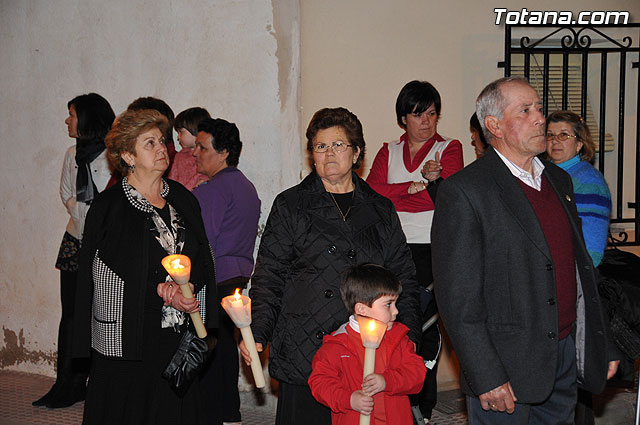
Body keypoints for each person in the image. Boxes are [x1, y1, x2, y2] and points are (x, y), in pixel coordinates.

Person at [431, 76, 620, 424]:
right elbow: (458, 298)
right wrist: (486, 374)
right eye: (525, 110)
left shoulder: (559, 180)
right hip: (505, 366)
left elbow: (579, 272)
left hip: (562, 357)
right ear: (494, 125)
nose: (539, 118)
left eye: (539, 108)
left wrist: (601, 341)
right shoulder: (465, 191)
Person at [240, 107, 421, 425]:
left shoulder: (380, 209)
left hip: (366, 350)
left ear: (357, 153)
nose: (329, 153)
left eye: (338, 145)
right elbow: (270, 275)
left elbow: (402, 276)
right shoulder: (291, 204)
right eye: (320, 146)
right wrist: (257, 332)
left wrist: (410, 341)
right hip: (306, 344)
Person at [72, 109, 218, 425]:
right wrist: (159, 289)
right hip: (129, 334)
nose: (162, 149)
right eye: (149, 143)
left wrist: (192, 285)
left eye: (162, 141)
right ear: (128, 155)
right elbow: (106, 269)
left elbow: (204, 256)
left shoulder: (183, 199)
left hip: (176, 331)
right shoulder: (109, 207)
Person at [367, 80, 463, 423]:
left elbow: (447, 198)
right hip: (393, 247)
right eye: (418, 114)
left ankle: (422, 404)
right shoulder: (387, 151)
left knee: (423, 325)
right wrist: (412, 186)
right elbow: (373, 194)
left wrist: (406, 194)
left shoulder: (449, 148)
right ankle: (391, 398)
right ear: (403, 118)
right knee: (389, 324)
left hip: (432, 248)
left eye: (433, 113)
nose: (427, 121)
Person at [33, 93, 115, 409]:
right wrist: (80, 210)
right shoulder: (72, 154)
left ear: (88, 118)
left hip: (103, 246)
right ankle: (66, 383)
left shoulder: (112, 155)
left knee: (100, 314)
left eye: (72, 114)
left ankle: (95, 383)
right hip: (73, 241)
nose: (67, 121)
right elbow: (66, 193)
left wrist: (88, 213)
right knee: (71, 316)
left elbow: (110, 202)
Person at [193, 118, 261, 425]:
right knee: (225, 347)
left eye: (202, 147)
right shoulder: (245, 186)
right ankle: (228, 411)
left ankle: (212, 411)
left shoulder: (213, 190)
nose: (195, 152)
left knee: (209, 346)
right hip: (237, 276)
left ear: (223, 153)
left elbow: (202, 241)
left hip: (214, 275)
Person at [309, 263, 426, 425]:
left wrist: (387, 381)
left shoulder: (398, 338)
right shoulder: (337, 344)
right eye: (388, 304)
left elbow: (417, 374)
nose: (396, 311)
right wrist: (349, 400)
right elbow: (320, 383)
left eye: (395, 304)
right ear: (362, 309)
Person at [546, 110, 611, 267]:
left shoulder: (589, 182)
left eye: (563, 135)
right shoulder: (544, 174)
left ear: (579, 144)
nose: (555, 141)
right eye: (550, 135)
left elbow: (592, 248)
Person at [168, 107, 211, 190]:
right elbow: (172, 179)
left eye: (181, 132)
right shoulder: (179, 156)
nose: (178, 137)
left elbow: (206, 177)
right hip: (179, 198)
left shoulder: (208, 155)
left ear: (195, 129)